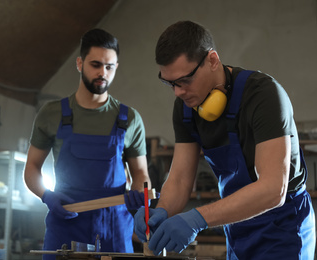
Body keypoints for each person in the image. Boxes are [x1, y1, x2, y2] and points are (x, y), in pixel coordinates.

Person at [134, 20, 315, 259]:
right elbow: (178, 179)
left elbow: (273, 189)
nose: (178, 92)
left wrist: (197, 218)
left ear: (212, 60)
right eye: (170, 83)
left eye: (185, 80)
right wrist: (161, 210)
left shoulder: (264, 96)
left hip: (284, 229)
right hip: (237, 226)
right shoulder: (186, 108)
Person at [24, 28, 151, 259]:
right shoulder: (51, 114)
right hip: (65, 224)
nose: (103, 72)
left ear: (116, 67)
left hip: (115, 229)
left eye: (109, 67)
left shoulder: (130, 119)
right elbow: (31, 168)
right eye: (96, 65)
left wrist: (139, 197)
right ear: (79, 63)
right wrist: (46, 195)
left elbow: (141, 172)